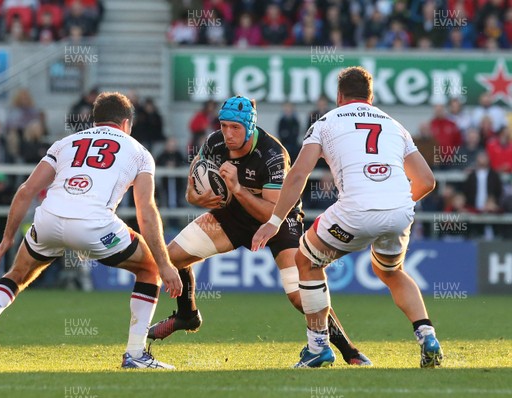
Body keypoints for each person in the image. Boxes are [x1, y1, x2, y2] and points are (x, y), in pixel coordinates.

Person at [0, 92, 182, 369]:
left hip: (48, 219)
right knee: (149, 267)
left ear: (95, 120)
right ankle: (135, 354)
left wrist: (7, 238)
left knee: (17, 275)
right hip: (94, 225)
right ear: (127, 123)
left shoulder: (65, 143)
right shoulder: (139, 152)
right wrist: (165, 264)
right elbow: (146, 210)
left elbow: (25, 191)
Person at [148, 95, 372, 366]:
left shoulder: (273, 155)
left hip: (279, 221)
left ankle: (348, 350)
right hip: (231, 217)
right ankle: (187, 315)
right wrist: (197, 198)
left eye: (235, 128)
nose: (227, 134)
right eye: (224, 126)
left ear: (250, 128)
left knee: (299, 296)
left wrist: (238, 189)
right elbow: (192, 187)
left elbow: (270, 213)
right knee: (171, 258)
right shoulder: (213, 142)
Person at [252, 66, 443, 368]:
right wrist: (394, 205)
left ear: (339, 96)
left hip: (355, 212)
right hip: (400, 210)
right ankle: (427, 335)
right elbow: (427, 181)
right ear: (371, 96)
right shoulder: (394, 125)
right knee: (392, 273)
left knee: (306, 261)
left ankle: (318, 347)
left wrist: (274, 221)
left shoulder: (325, 122)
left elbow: (299, 173)